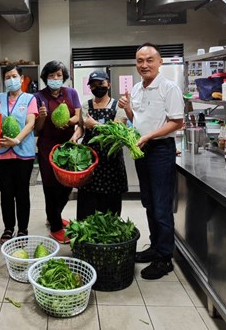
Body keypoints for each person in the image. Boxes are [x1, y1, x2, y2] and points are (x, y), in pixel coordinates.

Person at [118, 43, 184, 280]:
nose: (144, 65)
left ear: (159, 62)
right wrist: (127, 110)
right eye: (139, 61)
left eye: (149, 60)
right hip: (142, 149)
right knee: (148, 202)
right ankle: (155, 247)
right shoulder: (136, 89)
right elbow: (138, 120)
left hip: (160, 150)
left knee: (161, 205)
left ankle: (165, 258)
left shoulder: (169, 88)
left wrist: (148, 136)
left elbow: (177, 122)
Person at [70, 70, 128, 219]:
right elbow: (82, 127)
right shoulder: (85, 106)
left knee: (110, 207)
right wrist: (75, 136)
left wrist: (95, 124)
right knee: (87, 204)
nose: (97, 88)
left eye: (101, 84)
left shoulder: (118, 106)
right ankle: (86, 238)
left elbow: (118, 132)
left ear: (108, 84)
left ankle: (108, 238)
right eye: (93, 85)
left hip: (111, 163)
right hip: (90, 162)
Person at [34, 60, 81, 243]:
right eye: (51, 75)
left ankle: (54, 214)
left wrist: (67, 122)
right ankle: (55, 225)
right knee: (50, 185)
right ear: (45, 77)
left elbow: (78, 116)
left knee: (67, 184)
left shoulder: (71, 93)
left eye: (58, 75)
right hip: (47, 145)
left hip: (67, 145)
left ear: (64, 77)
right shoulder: (38, 96)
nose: (55, 78)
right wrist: (43, 117)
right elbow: (37, 127)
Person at [0, 65, 38, 244]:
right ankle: (8, 228)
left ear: (21, 78)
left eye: (14, 76)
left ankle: (23, 229)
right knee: (5, 193)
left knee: (21, 192)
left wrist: (16, 140)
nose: (10, 80)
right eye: (7, 77)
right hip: (1, 152)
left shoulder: (29, 99)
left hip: (22, 153)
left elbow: (31, 123)